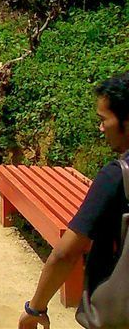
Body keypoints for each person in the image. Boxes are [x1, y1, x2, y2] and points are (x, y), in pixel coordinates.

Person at [18, 72, 129, 328]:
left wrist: (35, 308)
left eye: (104, 120)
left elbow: (66, 253)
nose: (100, 128)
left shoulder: (117, 177)